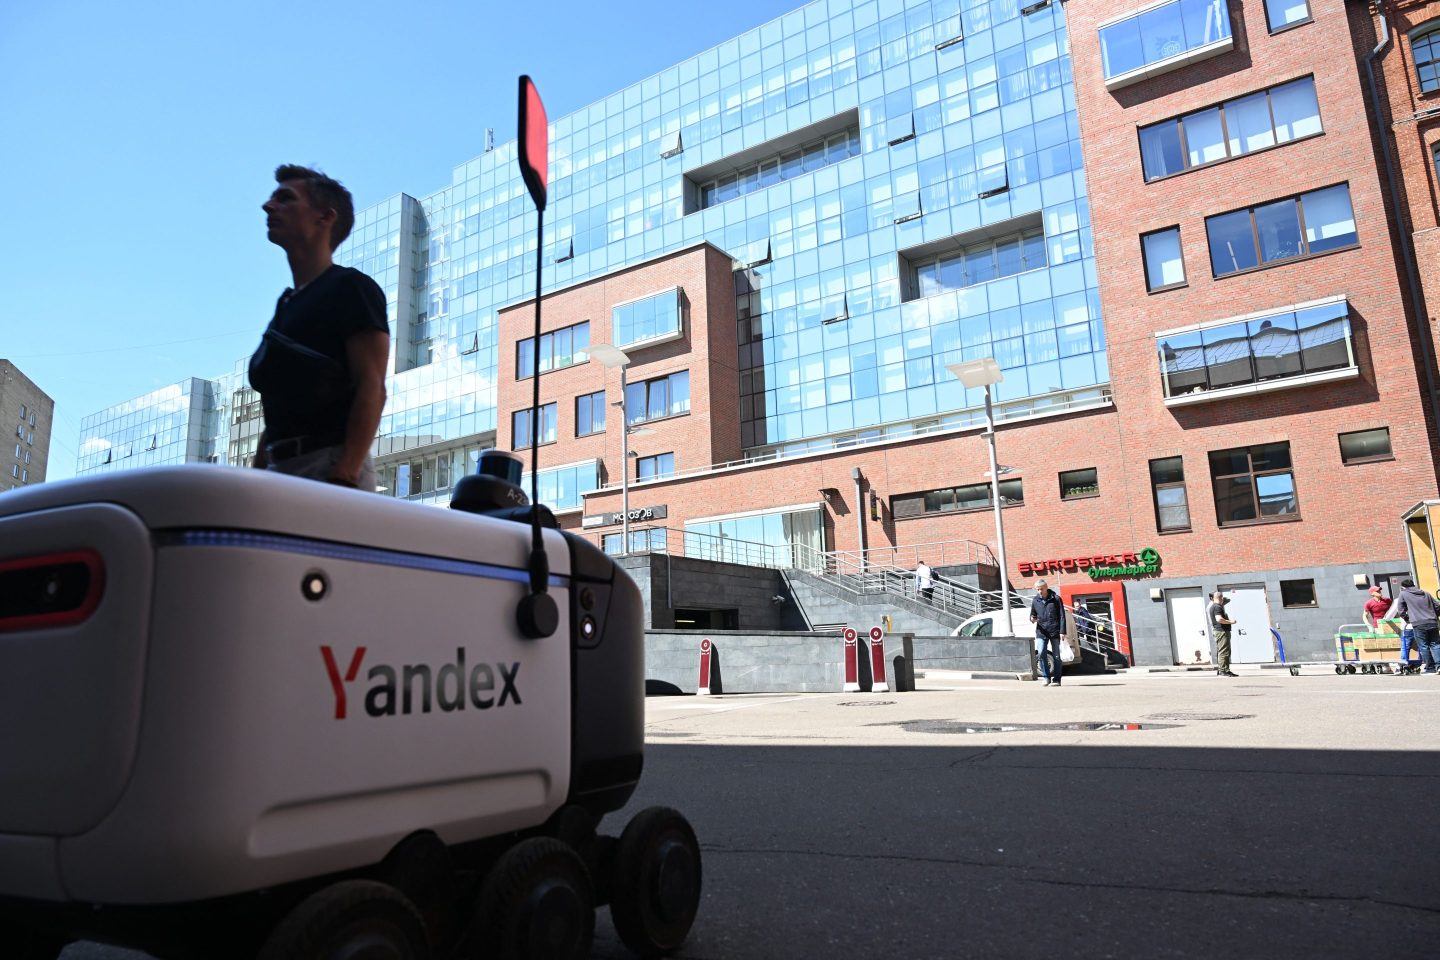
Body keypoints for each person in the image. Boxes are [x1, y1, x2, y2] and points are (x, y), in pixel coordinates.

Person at [249, 165, 389, 491]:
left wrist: (345, 473)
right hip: (279, 472)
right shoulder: (285, 306)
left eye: (286, 199)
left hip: (329, 469)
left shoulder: (351, 288)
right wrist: (255, 480)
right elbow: (278, 412)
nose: (268, 206)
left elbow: (372, 386)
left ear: (325, 217)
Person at [1393, 579, 1440, 674]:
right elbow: (1438, 606)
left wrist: (1408, 619)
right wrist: (1434, 616)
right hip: (1432, 622)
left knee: (1424, 645)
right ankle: (1439, 667)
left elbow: (1401, 610)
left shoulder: (1403, 594)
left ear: (1403, 587)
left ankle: (1430, 668)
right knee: (1436, 644)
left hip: (1418, 623)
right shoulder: (1426, 593)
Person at [1030, 579, 1067, 687]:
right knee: (1041, 653)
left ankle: (1057, 680)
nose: (1040, 591)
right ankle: (1046, 678)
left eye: (1041, 589)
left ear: (1046, 587)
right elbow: (1032, 614)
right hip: (1041, 631)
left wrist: (1062, 631)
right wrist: (1032, 619)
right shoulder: (1035, 600)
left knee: (1056, 656)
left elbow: (1062, 616)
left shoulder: (1056, 599)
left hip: (1055, 631)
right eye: (1037, 590)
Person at [1207, 591, 1237, 677]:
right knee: (1224, 652)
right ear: (1221, 598)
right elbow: (1219, 619)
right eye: (1222, 598)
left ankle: (1225, 670)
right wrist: (1231, 621)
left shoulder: (1214, 606)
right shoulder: (1217, 607)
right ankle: (1223, 671)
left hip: (1220, 631)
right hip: (1221, 631)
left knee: (1224, 651)